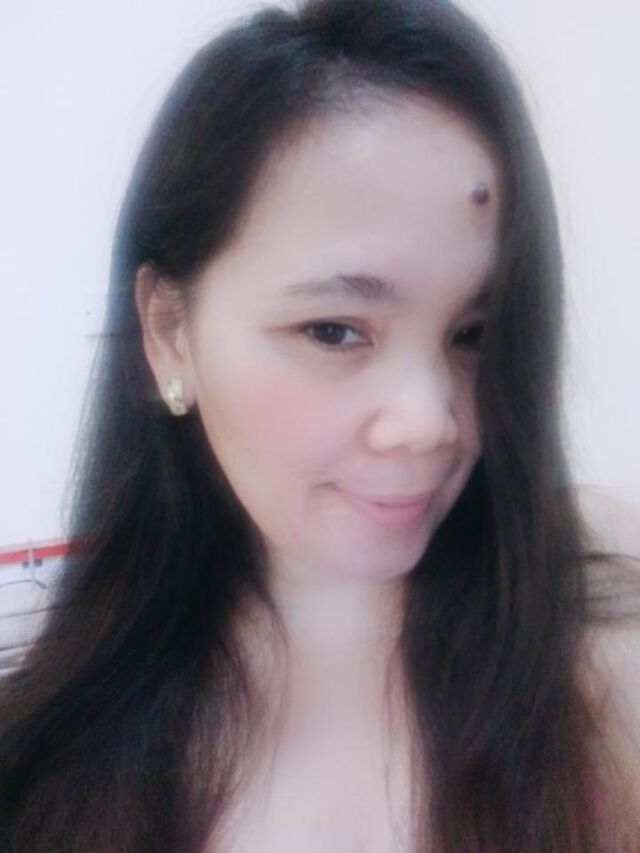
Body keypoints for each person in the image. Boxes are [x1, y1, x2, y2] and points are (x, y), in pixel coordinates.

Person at [1, 0, 639, 850]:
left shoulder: (595, 659)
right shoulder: (51, 756)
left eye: (472, 334)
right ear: (168, 331)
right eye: (334, 330)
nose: (429, 423)